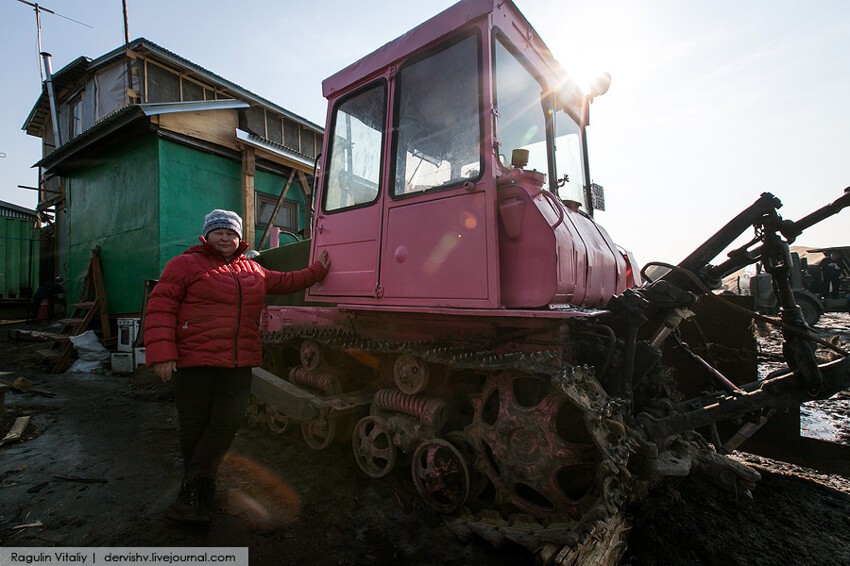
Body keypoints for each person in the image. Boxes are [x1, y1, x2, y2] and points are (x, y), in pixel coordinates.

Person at [143, 209, 329, 523]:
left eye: (231, 233)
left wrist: (319, 269)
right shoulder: (185, 265)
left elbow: (288, 281)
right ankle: (198, 496)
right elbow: (160, 307)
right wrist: (162, 354)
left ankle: (194, 492)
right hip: (194, 362)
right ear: (207, 234)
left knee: (225, 425)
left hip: (236, 362)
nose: (226, 237)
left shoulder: (253, 270)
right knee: (195, 427)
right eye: (219, 232)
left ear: (240, 238)